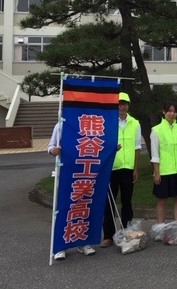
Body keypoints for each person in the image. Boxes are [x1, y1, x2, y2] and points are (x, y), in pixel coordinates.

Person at [48, 121, 96, 260]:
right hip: (66, 173)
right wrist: (53, 150)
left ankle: (83, 242)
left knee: (83, 207)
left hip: (85, 172)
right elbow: (51, 146)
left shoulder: (90, 125)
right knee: (64, 209)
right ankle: (60, 246)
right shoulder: (61, 125)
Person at [101, 92, 142, 247]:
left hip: (128, 168)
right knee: (109, 203)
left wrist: (136, 169)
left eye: (124, 103)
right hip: (112, 168)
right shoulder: (108, 122)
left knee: (127, 202)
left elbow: (138, 147)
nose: (122, 106)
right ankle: (108, 236)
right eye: (119, 104)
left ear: (128, 105)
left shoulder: (135, 123)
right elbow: (102, 146)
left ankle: (126, 232)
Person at [151, 101, 177, 224]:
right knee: (162, 200)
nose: (172, 114)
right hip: (164, 171)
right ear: (163, 112)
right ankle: (160, 227)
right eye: (169, 111)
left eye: (174, 111)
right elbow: (154, 154)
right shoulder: (156, 130)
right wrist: (157, 173)